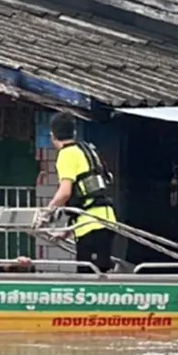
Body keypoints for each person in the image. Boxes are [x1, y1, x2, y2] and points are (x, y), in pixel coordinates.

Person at [43, 112, 116, 273]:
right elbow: (85, 197)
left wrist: (46, 212)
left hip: (90, 226)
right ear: (74, 132)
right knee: (102, 275)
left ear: (52, 135)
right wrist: (67, 231)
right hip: (106, 220)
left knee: (87, 278)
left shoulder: (66, 154)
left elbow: (65, 193)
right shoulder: (86, 149)